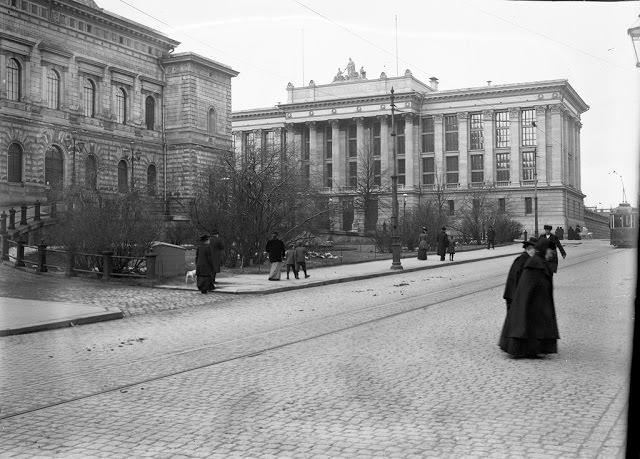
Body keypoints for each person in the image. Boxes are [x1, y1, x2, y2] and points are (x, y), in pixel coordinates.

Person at [499, 237, 560, 357]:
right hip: (527, 302)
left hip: (534, 304)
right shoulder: (531, 263)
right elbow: (520, 284)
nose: (551, 255)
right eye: (549, 252)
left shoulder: (538, 262)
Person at [502, 237, 537, 310]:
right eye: (535, 249)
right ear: (529, 248)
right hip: (514, 298)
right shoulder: (523, 261)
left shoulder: (525, 259)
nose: (536, 252)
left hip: (515, 297)